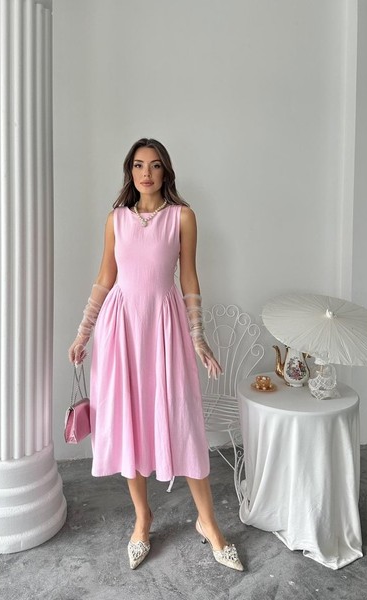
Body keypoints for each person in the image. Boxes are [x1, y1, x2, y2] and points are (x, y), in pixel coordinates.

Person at [68, 138, 244, 572]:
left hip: (166, 330)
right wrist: (83, 332)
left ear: (166, 171)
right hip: (121, 330)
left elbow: (189, 279)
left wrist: (198, 337)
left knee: (182, 423)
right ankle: (142, 519)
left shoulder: (182, 217)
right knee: (129, 422)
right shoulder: (116, 219)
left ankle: (209, 523)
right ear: (129, 171)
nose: (146, 173)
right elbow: (105, 278)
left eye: (155, 165)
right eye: (138, 165)